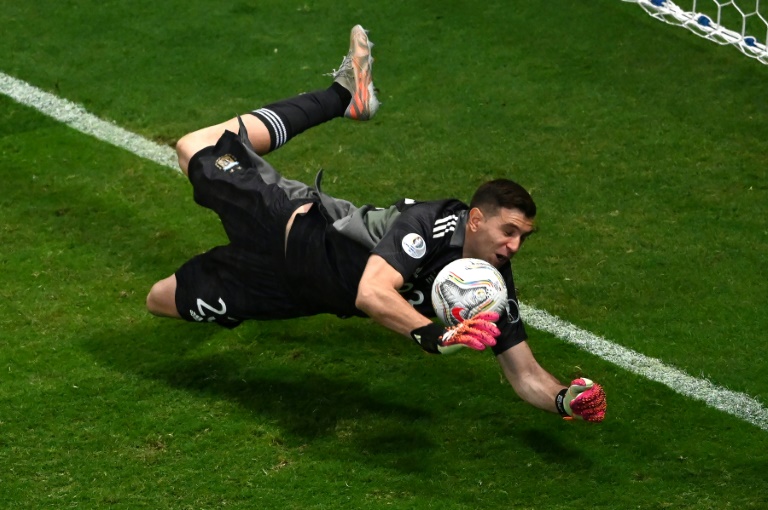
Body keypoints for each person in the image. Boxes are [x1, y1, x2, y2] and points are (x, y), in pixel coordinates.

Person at [146, 25, 607, 422]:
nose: (513, 247)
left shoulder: (490, 285)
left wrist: (566, 400)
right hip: (284, 224)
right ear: (475, 218)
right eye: (508, 231)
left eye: (522, 238)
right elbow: (371, 293)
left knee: (160, 300)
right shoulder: (430, 222)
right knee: (194, 147)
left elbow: (524, 374)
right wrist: (431, 333)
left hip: (292, 290)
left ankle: (344, 98)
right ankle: (342, 97)